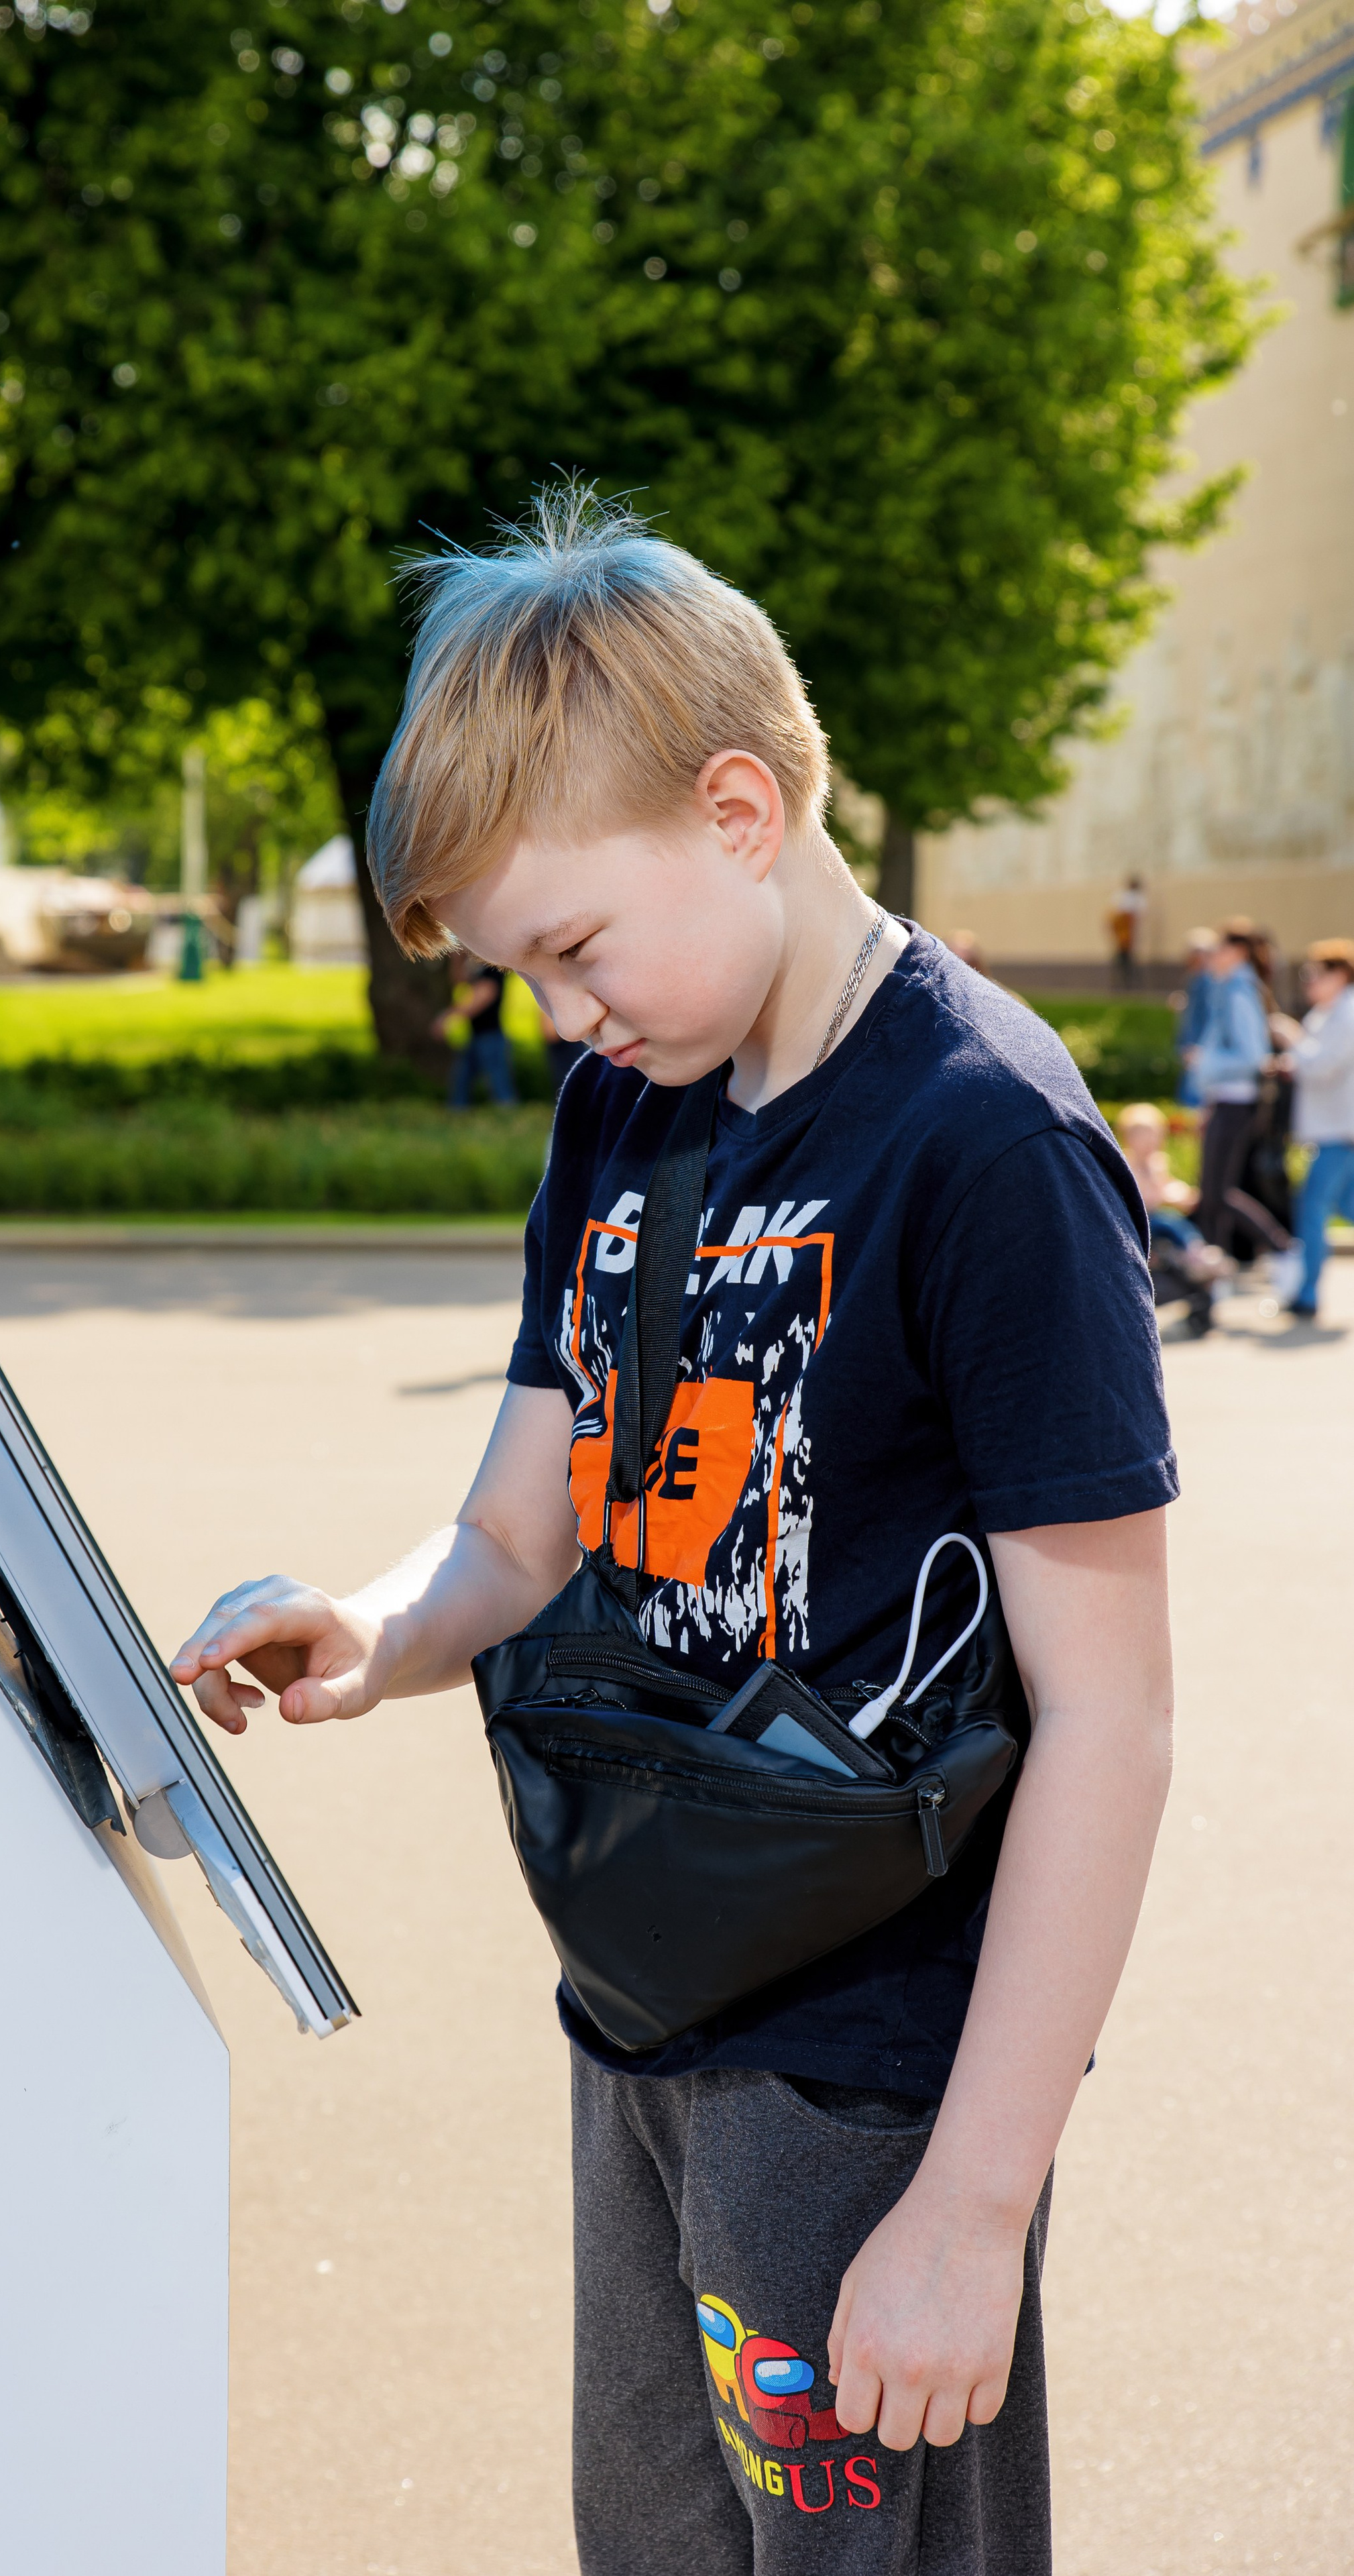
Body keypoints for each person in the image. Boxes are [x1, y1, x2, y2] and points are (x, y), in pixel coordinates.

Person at [170, 496, 1175, 2576]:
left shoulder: (981, 1137)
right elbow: (518, 1532)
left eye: (567, 946)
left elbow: (1109, 1719)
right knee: (653, 2537)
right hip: (639, 1999)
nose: (558, 1012)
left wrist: (971, 2209)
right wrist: (364, 1630)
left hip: (872, 2075)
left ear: (736, 810)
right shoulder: (628, 1110)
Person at [1273, 937, 1354, 1320]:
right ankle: (1306, 1292)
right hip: (1334, 1129)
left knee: (1312, 1208)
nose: (1309, 982)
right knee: (1346, 1205)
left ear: (1339, 975)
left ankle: (1307, 1295)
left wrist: (1293, 1041)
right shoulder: (1326, 1013)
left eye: (1315, 975)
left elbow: (1323, 1065)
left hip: (1341, 1132)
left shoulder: (1348, 1012)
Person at [1183, 924, 1272, 1256]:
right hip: (1224, 1099)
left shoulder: (1238, 992)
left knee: (1216, 1194)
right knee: (1213, 1195)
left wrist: (1205, 1061)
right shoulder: (1228, 989)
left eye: (1219, 949)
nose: (1212, 957)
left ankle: (1282, 1248)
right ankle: (1212, 1277)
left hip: (1236, 1101)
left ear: (1238, 953)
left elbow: (1254, 1057)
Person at [1116, 1102, 1219, 1338]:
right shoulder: (1128, 1163)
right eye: (1145, 1136)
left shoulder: (1157, 1162)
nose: (1152, 1142)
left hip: (1159, 1217)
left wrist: (1183, 1194)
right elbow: (1145, 1197)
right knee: (1170, 1222)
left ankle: (1196, 1253)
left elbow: (1167, 1186)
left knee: (1178, 1221)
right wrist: (1168, 1196)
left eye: (1155, 1135)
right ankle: (1196, 1253)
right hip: (1143, 1220)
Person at [435, 953, 518, 1108]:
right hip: (476, 1035)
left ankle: (508, 1114)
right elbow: (459, 981)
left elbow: (485, 994)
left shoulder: (493, 965)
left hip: (491, 1036)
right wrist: (457, 959)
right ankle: (457, 1112)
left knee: (498, 1082)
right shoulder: (476, 967)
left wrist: (450, 1017)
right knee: (461, 1079)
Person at [1170, 928, 1217, 1108]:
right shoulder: (1195, 978)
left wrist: (1201, 1048)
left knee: (1195, 1099)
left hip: (1198, 1050)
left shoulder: (1208, 980)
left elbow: (1210, 1017)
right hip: (1190, 1048)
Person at [1105, 875, 1146, 989]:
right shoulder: (1125, 898)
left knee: (1126, 959)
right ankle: (1124, 984)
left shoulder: (1135, 898)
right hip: (1124, 934)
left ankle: (1128, 984)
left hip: (1127, 935)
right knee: (1123, 959)